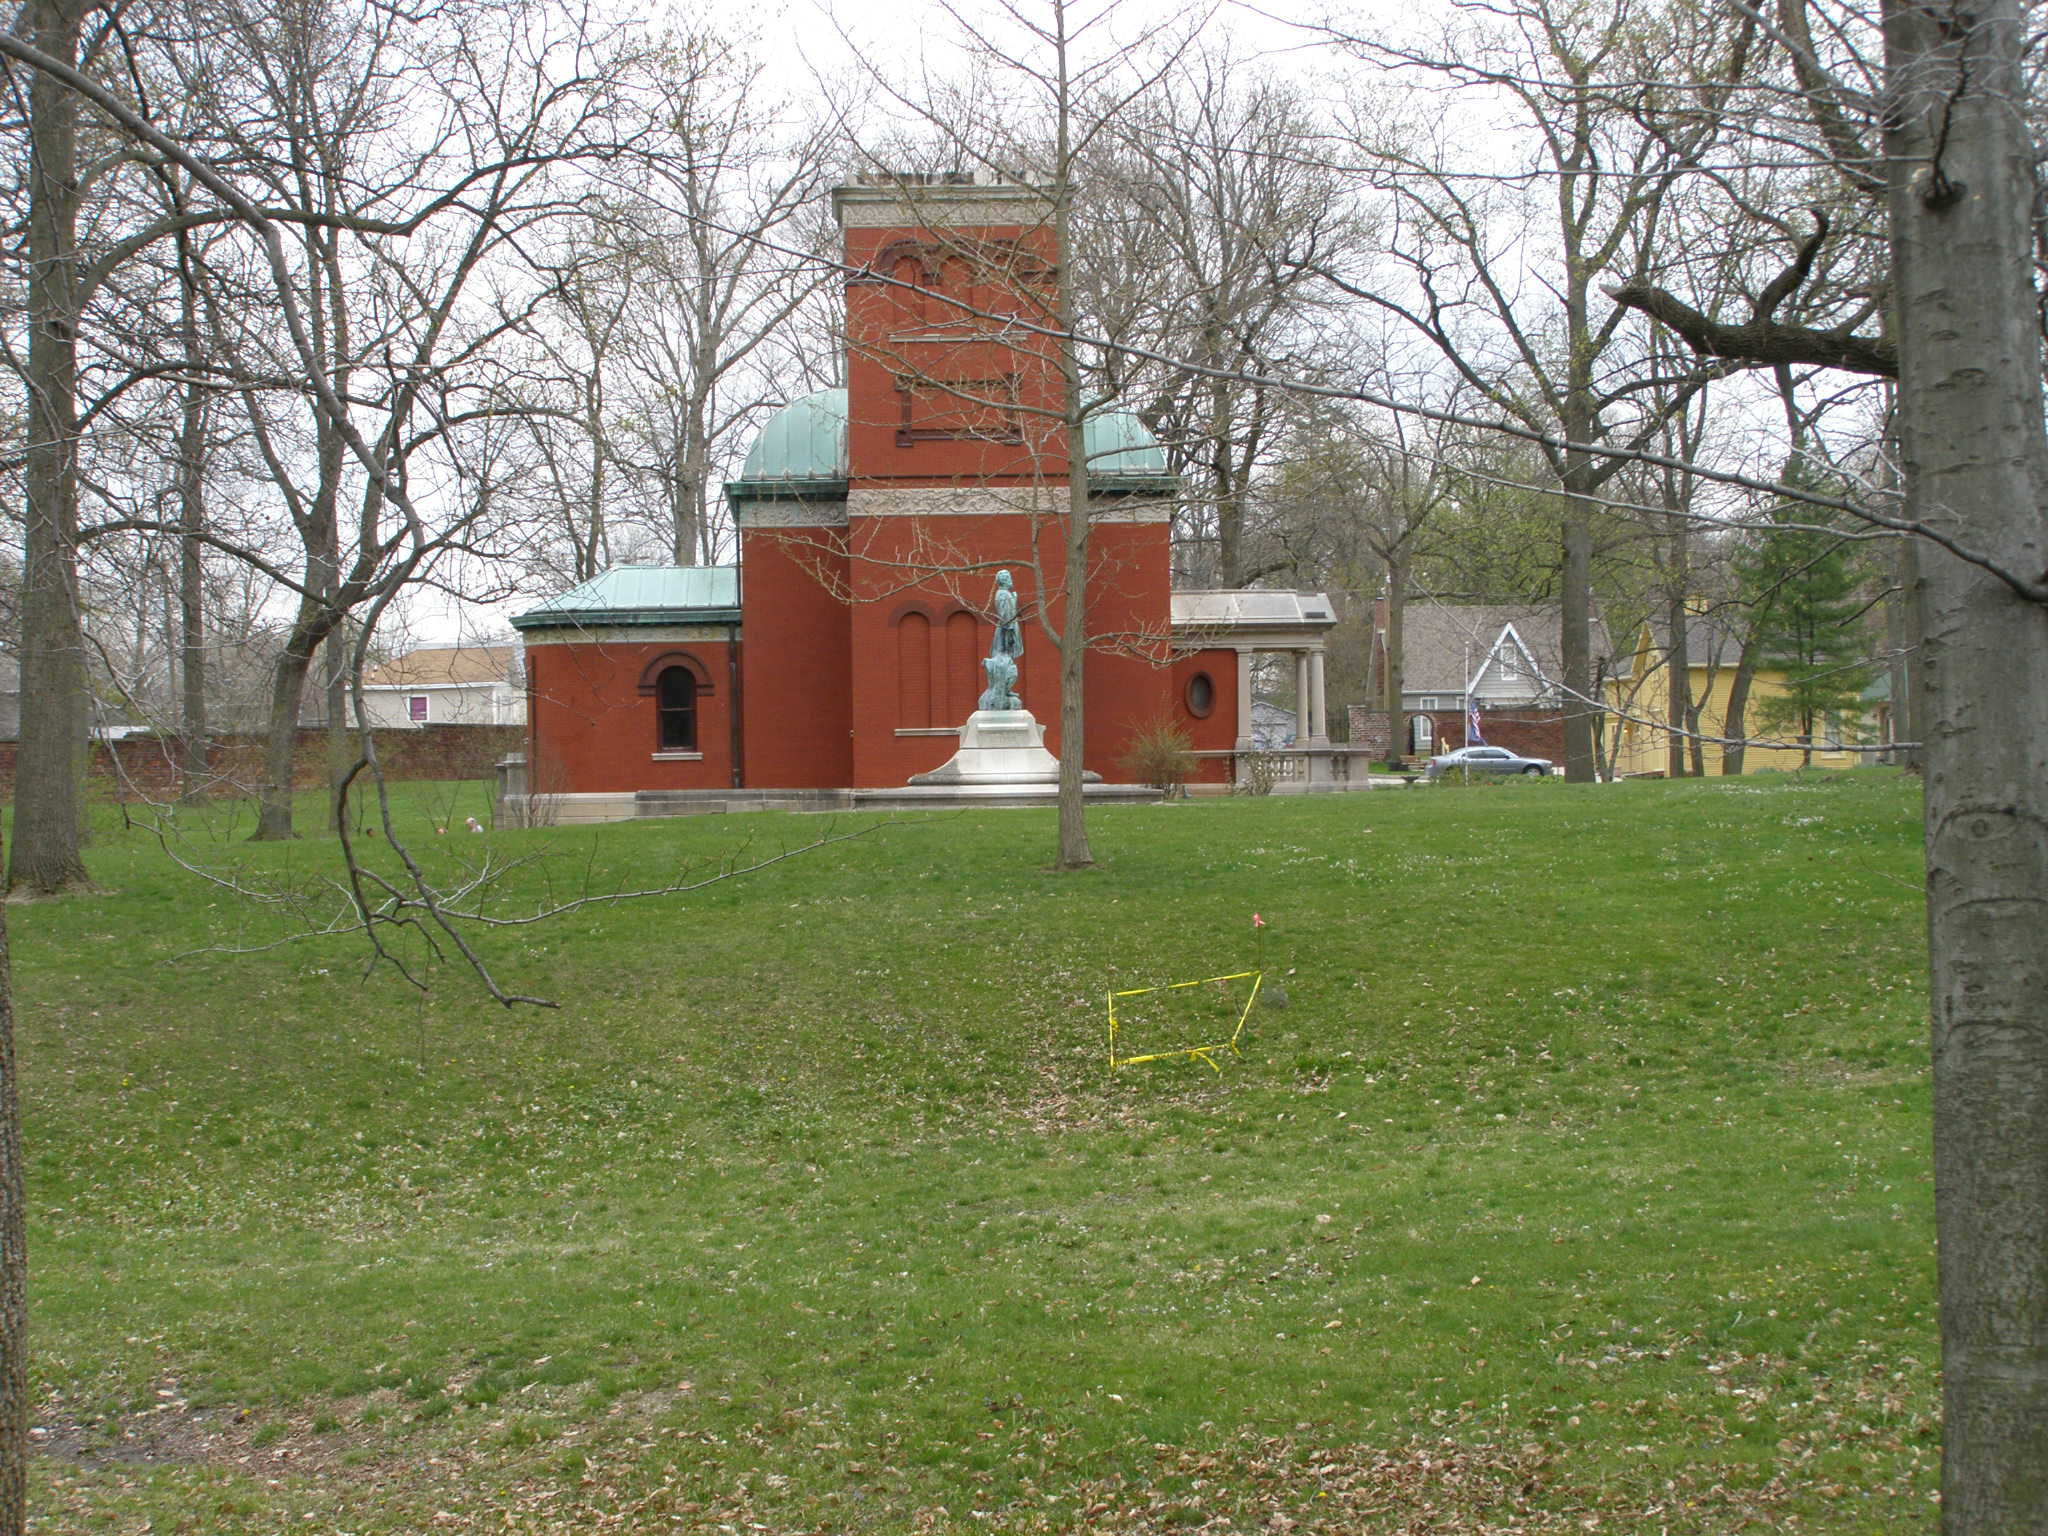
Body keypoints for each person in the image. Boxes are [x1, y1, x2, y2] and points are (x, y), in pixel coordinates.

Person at [990, 569, 1023, 660]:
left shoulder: (1004, 593)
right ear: (1005, 581)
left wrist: (1013, 599)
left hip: (1007, 628)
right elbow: (1006, 617)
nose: (1011, 580)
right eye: (1010, 578)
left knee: (1007, 657)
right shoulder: (1003, 594)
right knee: (1006, 656)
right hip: (1007, 630)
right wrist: (1010, 635)